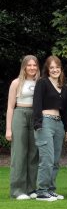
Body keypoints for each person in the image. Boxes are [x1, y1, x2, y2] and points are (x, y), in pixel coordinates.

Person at [33, 56, 67, 201]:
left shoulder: (64, 86)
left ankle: (50, 189)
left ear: (60, 69)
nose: (55, 70)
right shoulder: (42, 83)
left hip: (59, 124)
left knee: (55, 160)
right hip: (45, 123)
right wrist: (37, 124)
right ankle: (41, 191)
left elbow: (66, 110)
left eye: (57, 67)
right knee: (47, 159)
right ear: (47, 69)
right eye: (52, 67)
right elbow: (37, 103)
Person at [6, 55, 40, 200]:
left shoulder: (40, 82)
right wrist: (8, 129)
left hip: (36, 115)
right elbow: (10, 107)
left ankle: (31, 188)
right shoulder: (16, 82)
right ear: (24, 67)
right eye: (29, 65)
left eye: (34, 65)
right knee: (19, 153)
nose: (32, 68)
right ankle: (18, 190)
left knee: (34, 153)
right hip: (20, 114)